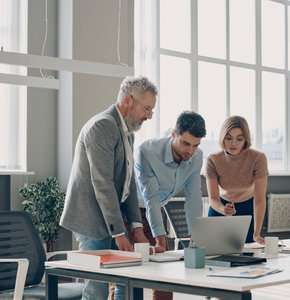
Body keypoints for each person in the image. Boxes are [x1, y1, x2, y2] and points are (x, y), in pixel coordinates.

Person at [60, 76, 158, 300]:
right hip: (91, 218)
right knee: (97, 289)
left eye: (152, 111)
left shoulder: (128, 133)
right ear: (127, 100)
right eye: (146, 109)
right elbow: (102, 182)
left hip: (113, 217)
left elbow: (129, 182)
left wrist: (137, 228)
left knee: (130, 283)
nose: (149, 116)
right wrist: (120, 233)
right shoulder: (102, 125)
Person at [134, 111, 206, 300]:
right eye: (186, 143)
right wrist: (160, 238)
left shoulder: (196, 157)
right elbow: (151, 197)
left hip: (155, 209)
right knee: (128, 271)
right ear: (174, 134)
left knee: (163, 274)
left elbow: (194, 197)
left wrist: (195, 238)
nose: (190, 151)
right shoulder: (147, 151)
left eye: (196, 145)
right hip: (130, 210)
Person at [206, 116, 268, 244]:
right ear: (222, 138)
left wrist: (256, 233)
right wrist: (223, 209)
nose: (233, 143)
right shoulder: (212, 159)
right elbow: (213, 199)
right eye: (229, 138)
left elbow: (260, 199)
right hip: (221, 207)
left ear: (246, 139)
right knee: (214, 251)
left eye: (239, 139)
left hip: (248, 207)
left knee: (247, 255)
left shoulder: (258, 158)